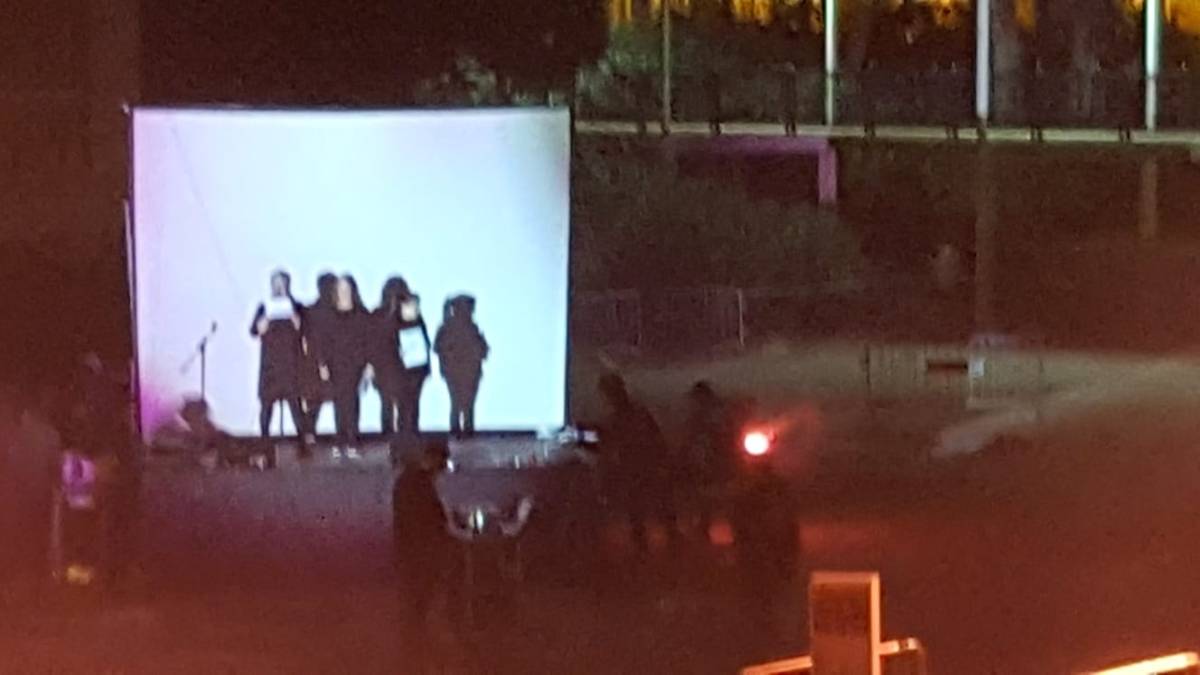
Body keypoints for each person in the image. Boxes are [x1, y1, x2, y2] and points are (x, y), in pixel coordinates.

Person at [392, 440, 459, 664]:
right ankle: (417, 647)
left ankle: (414, 647)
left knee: (416, 601)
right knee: (420, 598)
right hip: (421, 551)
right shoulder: (419, 484)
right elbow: (429, 520)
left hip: (412, 550)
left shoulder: (407, 480)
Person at [596, 373, 677, 557]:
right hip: (637, 467)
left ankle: (659, 544)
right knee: (643, 507)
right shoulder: (629, 416)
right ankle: (656, 545)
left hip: (640, 466)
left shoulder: (625, 417)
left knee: (648, 506)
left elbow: (654, 439)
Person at [311, 275, 372, 459]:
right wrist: (322, 364)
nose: (344, 292)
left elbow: (369, 341)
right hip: (335, 364)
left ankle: (352, 441)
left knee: (352, 402)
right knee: (339, 403)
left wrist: (369, 366)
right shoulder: (329, 315)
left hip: (355, 365)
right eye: (340, 289)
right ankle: (340, 440)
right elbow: (322, 341)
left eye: (346, 289)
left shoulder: (361, 314)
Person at [249, 270, 307, 447]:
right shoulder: (264, 307)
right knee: (266, 405)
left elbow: (305, 330)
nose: (279, 287)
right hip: (270, 364)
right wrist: (263, 323)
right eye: (276, 283)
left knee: (295, 405)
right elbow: (253, 331)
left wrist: (295, 319)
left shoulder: (296, 306)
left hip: (290, 363)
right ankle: (264, 442)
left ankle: (302, 443)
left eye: (282, 283)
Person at [681, 380, 742, 541]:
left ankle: (732, 527)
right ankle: (708, 527)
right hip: (711, 459)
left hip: (718, 458)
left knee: (723, 495)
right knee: (709, 496)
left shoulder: (713, 414)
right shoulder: (706, 414)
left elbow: (724, 433)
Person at [433, 295, 488, 438]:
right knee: (458, 403)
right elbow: (439, 348)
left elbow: (482, 349)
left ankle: (465, 430)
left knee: (466, 403)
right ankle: (458, 430)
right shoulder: (449, 328)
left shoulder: (471, 328)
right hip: (457, 372)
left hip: (469, 372)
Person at [299, 272, 339, 448]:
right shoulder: (321, 311)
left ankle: (309, 434)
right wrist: (322, 363)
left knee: (318, 402)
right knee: (317, 401)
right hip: (319, 362)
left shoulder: (314, 310)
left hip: (320, 361)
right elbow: (313, 339)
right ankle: (309, 434)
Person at [372, 277, 411, 435]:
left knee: (399, 404)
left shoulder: (408, 314)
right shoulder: (379, 315)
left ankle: (399, 434)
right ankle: (391, 434)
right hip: (386, 366)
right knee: (389, 403)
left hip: (400, 365)